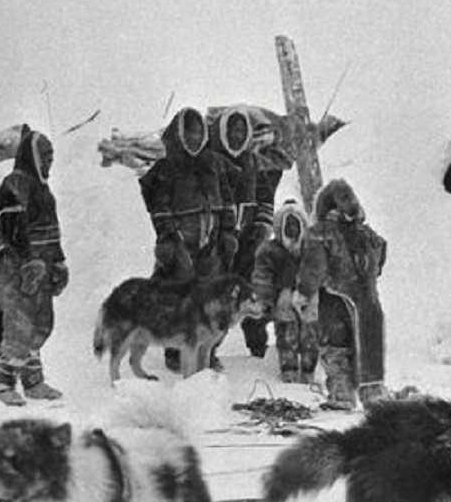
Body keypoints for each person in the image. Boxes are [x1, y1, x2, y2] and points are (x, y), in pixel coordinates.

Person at [139, 106, 237, 370]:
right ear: (179, 135)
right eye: (189, 133)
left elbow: (227, 199)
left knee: (214, 295)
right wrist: (168, 237)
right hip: (182, 241)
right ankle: (176, 353)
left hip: (212, 241)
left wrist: (229, 231)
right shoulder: (166, 167)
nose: (194, 138)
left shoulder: (213, 163)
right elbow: (159, 205)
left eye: (198, 132)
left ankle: (208, 351)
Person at [0, 124, 68, 405]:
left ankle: (33, 383)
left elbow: (52, 231)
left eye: (51, 158)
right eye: (44, 157)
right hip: (15, 268)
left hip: (40, 269)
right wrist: (28, 259)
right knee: (19, 325)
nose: (48, 163)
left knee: (41, 323)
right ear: (31, 156)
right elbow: (12, 225)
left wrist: (59, 262)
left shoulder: (44, 191)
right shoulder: (14, 183)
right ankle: (3, 384)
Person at [296, 177, 388, 409]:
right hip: (369, 303)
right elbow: (381, 256)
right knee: (369, 347)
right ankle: (374, 394)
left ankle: (342, 394)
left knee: (335, 346)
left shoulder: (320, 232)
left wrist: (304, 293)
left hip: (335, 299)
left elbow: (314, 266)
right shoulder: (368, 234)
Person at [209, 105, 282, 357]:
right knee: (215, 296)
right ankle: (204, 350)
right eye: (233, 130)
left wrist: (262, 225)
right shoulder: (211, 161)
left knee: (252, 291)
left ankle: (257, 348)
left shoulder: (251, 161)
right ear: (223, 132)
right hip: (217, 243)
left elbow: (264, 195)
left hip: (248, 239)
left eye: (242, 130)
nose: (238, 135)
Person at [248, 200, 324, 382]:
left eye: (295, 224)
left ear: (303, 226)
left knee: (310, 334)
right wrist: (264, 298)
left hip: (309, 295)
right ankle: (288, 369)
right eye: (287, 225)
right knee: (286, 332)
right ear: (278, 226)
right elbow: (262, 276)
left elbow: (321, 269)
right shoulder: (269, 250)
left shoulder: (313, 249)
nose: (292, 229)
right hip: (284, 295)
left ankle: (308, 370)